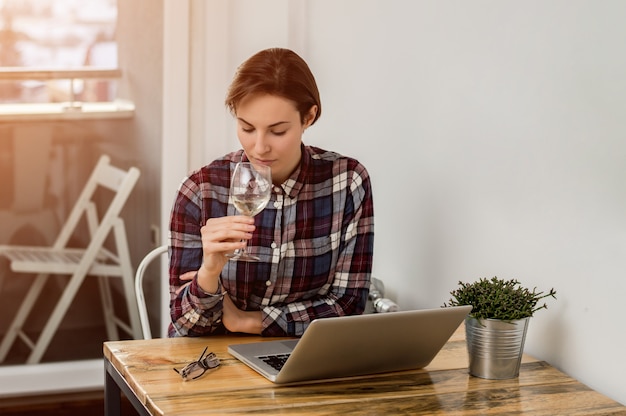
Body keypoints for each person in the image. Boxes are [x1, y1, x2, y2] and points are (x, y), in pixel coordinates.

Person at [168, 47, 374, 337]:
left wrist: (247, 321)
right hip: (210, 362)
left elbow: (348, 305)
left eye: (277, 131)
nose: (260, 147)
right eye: (247, 128)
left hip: (302, 357)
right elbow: (185, 325)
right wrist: (210, 272)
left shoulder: (347, 181)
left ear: (309, 117)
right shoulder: (200, 190)